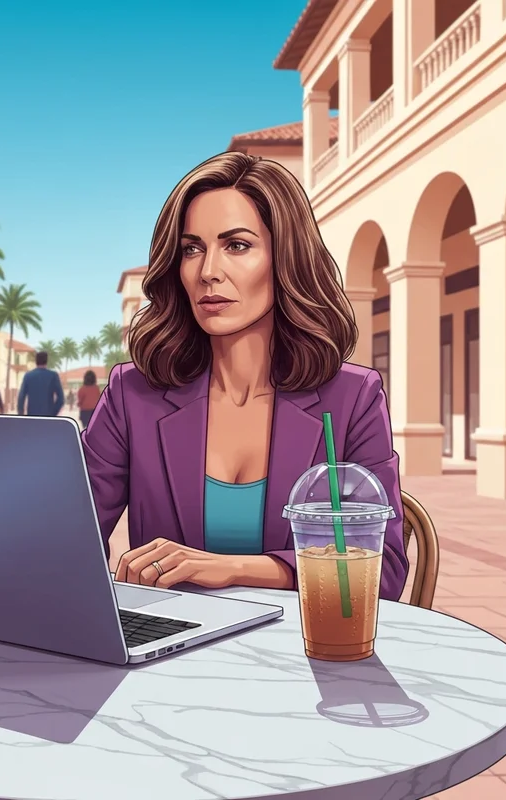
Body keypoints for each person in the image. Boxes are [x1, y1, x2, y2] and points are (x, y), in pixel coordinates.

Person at [82, 151, 408, 599]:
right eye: (191, 249)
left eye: (237, 245)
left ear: (284, 258)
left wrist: (233, 569)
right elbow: (68, 537)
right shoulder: (131, 395)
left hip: (305, 651)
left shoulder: (352, 398)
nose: (208, 272)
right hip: (169, 653)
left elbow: (383, 571)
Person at [17, 351, 64, 417]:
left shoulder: (28, 376)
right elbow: (61, 399)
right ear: (46, 361)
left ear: (36, 361)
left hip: (32, 416)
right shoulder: (53, 376)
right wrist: (53, 413)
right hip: (48, 416)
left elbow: (21, 397)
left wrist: (21, 413)